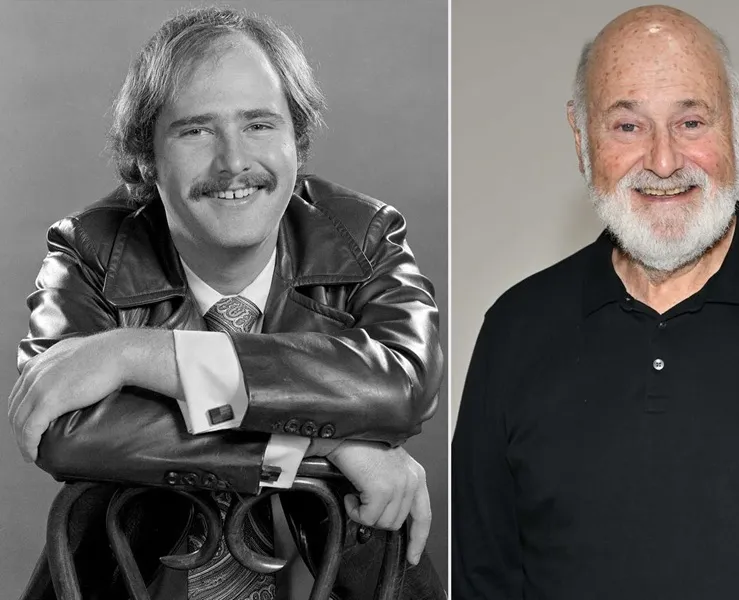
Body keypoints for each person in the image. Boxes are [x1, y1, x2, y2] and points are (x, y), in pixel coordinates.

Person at [452, 4, 739, 599]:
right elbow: (479, 574)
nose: (663, 163)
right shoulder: (514, 328)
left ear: (736, 121)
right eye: (628, 126)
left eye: (691, 122)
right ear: (581, 136)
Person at [8, 7, 444, 599]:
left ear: (299, 141)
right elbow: (61, 429)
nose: (234, 162)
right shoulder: (88, 250)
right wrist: (321, 443)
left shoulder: (366, 238)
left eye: (260, 124)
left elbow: (402, 389)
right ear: (146, 158)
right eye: (196, 130)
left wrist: (143, 355)